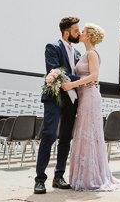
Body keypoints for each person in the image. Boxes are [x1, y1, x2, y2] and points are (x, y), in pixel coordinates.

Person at [61, 23, 120, 192]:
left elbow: (94, 76)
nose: (80, 33)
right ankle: (83, 176)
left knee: (89, 133)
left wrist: (72, 84)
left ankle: (92, 178)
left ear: (88, 36)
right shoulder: (84, 54)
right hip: (83, 96)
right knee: (84, 133)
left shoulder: (93, 53)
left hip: (89, 96)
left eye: (83, 31)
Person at [35, 17, 84, 195]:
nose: (79, 33)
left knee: (65, 138)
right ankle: (40, 180)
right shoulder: (52, 47)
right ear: (66, 32)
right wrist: (86, 80)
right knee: (48, 135)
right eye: (76, 30)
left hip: (72, 99)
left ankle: (59, 177)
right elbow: (55, 71)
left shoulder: (78, 52)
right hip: (54, 97)